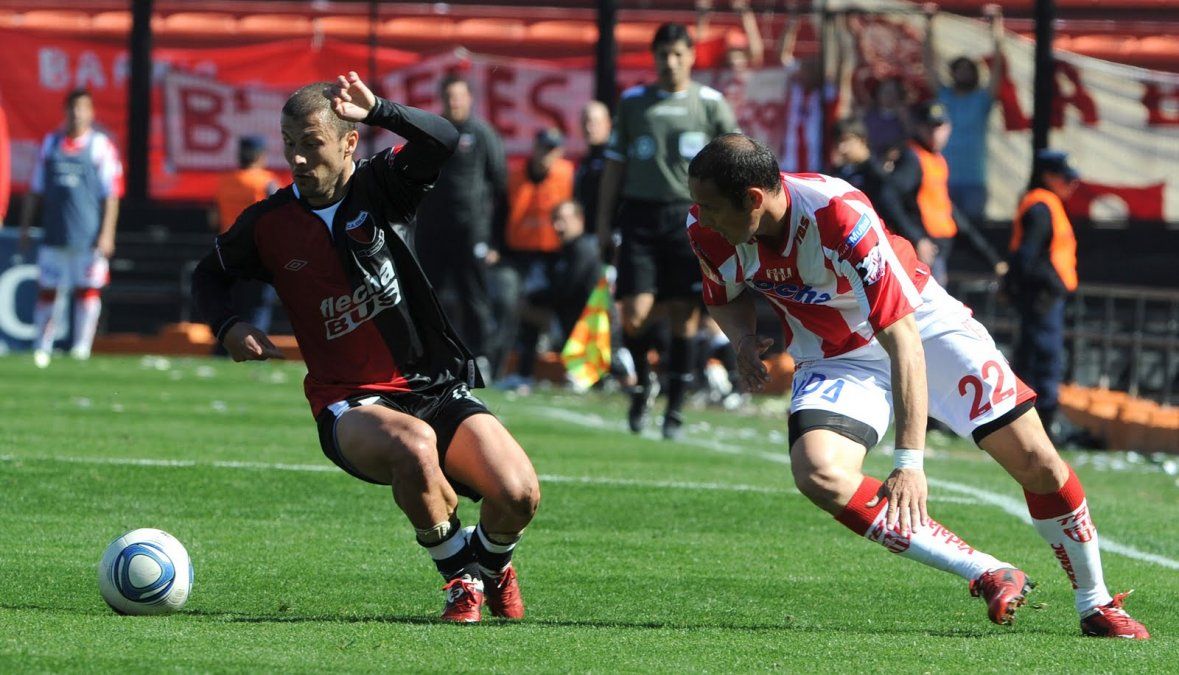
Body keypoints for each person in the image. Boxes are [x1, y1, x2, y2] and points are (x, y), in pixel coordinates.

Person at [684, 133, 1149, 639]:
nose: (700, 218)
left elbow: (904, 340)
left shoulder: (839, 215)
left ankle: (1095, 601)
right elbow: (723, 294)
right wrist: (744, 338)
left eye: (709, 207)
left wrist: (909, 463)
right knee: (819, 472)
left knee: (1037, 462)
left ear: (753, 199)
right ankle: (987, 572)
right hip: (834, 355)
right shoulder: (706, 229)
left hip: (922, 324)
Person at [191, 72, 540, 623]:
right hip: (348, 401)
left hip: (432, 386)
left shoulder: (385, 187)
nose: (298, 160)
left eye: (312, 144)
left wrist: (379, 109)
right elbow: (207, 276)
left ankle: (492, 567)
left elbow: (443, 139)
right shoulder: (270, 223)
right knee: (415, 446)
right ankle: (461, 581)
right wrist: (228, 325)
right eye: (290, 146)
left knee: (519, 494)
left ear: (349, 141)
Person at [596, 22, 739, 440]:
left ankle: (675, 407)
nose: (670, 62)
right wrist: (603, 222)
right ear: (654, 57)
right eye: (663, 54)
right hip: (640, 216)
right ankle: (643, 382)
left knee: (683, 316)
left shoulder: (711, 104)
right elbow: (615, 165)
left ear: (691, 56)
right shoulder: (634, 102)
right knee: (635, 314)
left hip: (691, 217)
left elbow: (736, 160)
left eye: (678, 54)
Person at [12, 88, 123, 368]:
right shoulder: (51, 144)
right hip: (55, 233)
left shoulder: (100, 146)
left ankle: (81, 349)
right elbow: (35, 190)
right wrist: (26, 226)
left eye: (83, 108)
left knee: (87, 291)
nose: (77, 114)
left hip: (87, 236)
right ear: (65, 112)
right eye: (72, 109)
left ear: (91, 113)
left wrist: (107, 233)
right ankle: (42, 347)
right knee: (49, 291)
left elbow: (111, 194)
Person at [414, 74, 507, 371]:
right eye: (449, 96)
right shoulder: (432, 131)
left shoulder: (482, 134)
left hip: (471, 232)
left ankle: (481, 358)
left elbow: (500, 186)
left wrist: (495, 240)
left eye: (459, 96)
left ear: (470, 99)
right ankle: (426, 355)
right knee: (428, 295)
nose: (454, 102)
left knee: (473, 297)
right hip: (433, 231)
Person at [1006, 150, 1080, 444]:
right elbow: (1027, 257)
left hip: (1045, 296)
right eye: (1066, 178)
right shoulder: (1041, 207)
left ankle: (1032, 429)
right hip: (1042, 298)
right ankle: (1042, 428)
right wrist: (1052, 284)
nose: (1071, 185)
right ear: (1049, 176)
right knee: (1043, 361)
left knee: (1032, 359)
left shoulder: (1047, 204)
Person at [890, 101, 1005, 284]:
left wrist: (990, 257)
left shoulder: (936, 159)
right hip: (922, 251)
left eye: (939, 126)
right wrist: (917, 238)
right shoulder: (912, 157)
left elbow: (948, 211)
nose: (934, 132)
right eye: (928, 126)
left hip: (938, 250)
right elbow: (890, 197)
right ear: (919, 127)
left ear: (948, 128)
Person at [497, 128, 575, 384]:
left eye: (552, 150)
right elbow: (501, 211)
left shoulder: (566, 175)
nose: (546, 155)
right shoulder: (516, 175)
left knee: (543, 306)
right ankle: (520, 371)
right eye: (543, 148)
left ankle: (561, 357)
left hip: (554, 254)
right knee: (516, 305)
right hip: (520, 253)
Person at [926, 3, 1006, 228]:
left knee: (975, 233)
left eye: (968, 70)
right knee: (943, 231)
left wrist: (996, 27)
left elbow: (999, 65)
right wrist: (929, 24)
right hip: (944, 179)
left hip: (974, 181)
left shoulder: (982, 100)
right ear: (953, 73)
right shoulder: (944, 96)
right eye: (959, 69)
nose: (963, 74)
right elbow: (929, 66)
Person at [509, 200, 600, 393]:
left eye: (563, 220)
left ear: (579, 220)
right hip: (569, 320)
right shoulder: (566, 250)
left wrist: (534, 298)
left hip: (587, 326)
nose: (557, 226)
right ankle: (524, 373)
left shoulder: (583, 249)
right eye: (554, 220)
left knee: (527, 311)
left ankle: (525, 374)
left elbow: (566, 291)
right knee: (527, 308)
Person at [828, 117, 932, 264]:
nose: (842, 148)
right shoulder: (839, 174)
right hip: (856, 251)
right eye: (838, 142)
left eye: (847, 141)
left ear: (862, 140)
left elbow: (894, 208)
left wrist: (917, 239)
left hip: (894, 249)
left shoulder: (879, 172)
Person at [210, 135, 279, 335]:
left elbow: (214, 219)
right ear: (260, 156)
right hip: (258, 252)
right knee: (258, 304)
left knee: (233, 303)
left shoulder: (224, 182)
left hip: (228, 251)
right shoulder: (265, 182)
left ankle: (227, 347)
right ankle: (254, 346)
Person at [775, 11, 854, 174]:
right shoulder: (795, 89)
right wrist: (792, 24)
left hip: (817, 168)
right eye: (804, 67)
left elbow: (845, 67)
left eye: (812, 68)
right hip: (789, 167)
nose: (805, 72)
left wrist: (838, 27)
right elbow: (783, 56)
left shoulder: (826, 94)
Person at [574, 100, 612, 244]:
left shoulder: (615, 160)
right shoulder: (585, 160)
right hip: (587, 234)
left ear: (608, 123)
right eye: (585, 122)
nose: (589, 128)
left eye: (594, 122)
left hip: (609, 236)